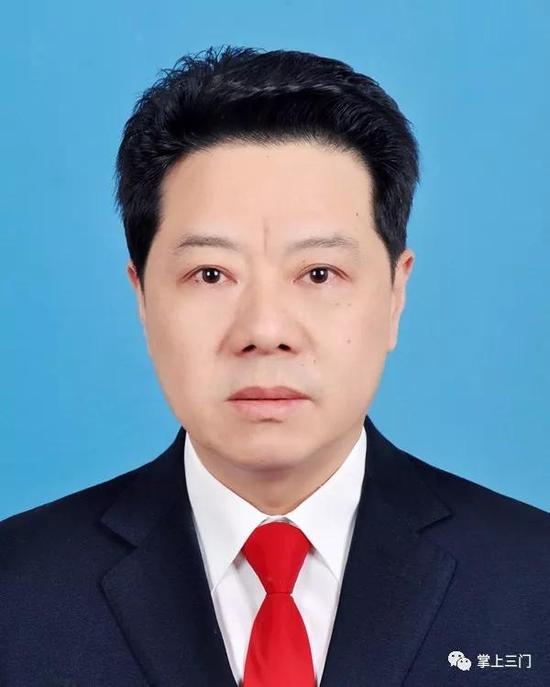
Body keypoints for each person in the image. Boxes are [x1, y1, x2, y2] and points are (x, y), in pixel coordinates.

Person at [1, 45, 548, 687]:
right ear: (142, 297)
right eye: (211, 274)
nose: (265, 331)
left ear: (396, 293)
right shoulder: (16, 592)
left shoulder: (533, 579)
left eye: (319, 273)